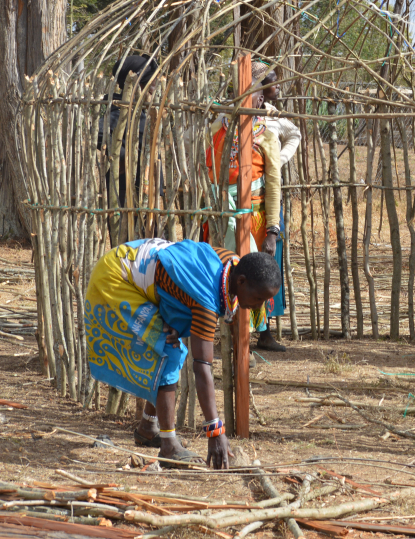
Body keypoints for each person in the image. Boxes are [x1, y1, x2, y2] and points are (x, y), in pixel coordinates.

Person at [84, 239, 280, 468]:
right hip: (116, 278)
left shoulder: (230, 264)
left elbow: (178, 292)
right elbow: (202, 366)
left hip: (129, 266)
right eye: (258, 298)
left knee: (168, 345)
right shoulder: (207, 294)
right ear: (242, 281)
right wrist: (215, 431)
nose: (260, 306)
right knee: (169, 352)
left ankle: (148, 427)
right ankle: (168, 446)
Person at [205, 74, 285, 353]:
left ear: (260, 100)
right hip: (218, 214)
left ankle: (246, 342)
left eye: (245, 93)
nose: (237, 98)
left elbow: (273, 183)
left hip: (252, 216)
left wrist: (273, 230)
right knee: (223, 273)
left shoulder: (267, 135)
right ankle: (228, 336)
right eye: (234, 92)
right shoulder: (218, 127)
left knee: (251, 276)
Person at [252, 60, 302, 325]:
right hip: (237, 201)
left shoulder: (272, 117)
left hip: (266, 199)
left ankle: (264, 328)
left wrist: (278, 160)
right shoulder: (229, 114)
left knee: (267, 260)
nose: (278, 86)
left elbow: (295, 135)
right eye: (272, 81)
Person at [98, 55, 159, 243]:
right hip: (124, 194)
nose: (155, 89)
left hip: (148, 195)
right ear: (138, 86)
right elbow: (104, 144)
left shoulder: (146, 115)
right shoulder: (115, 115)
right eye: (152, 84)